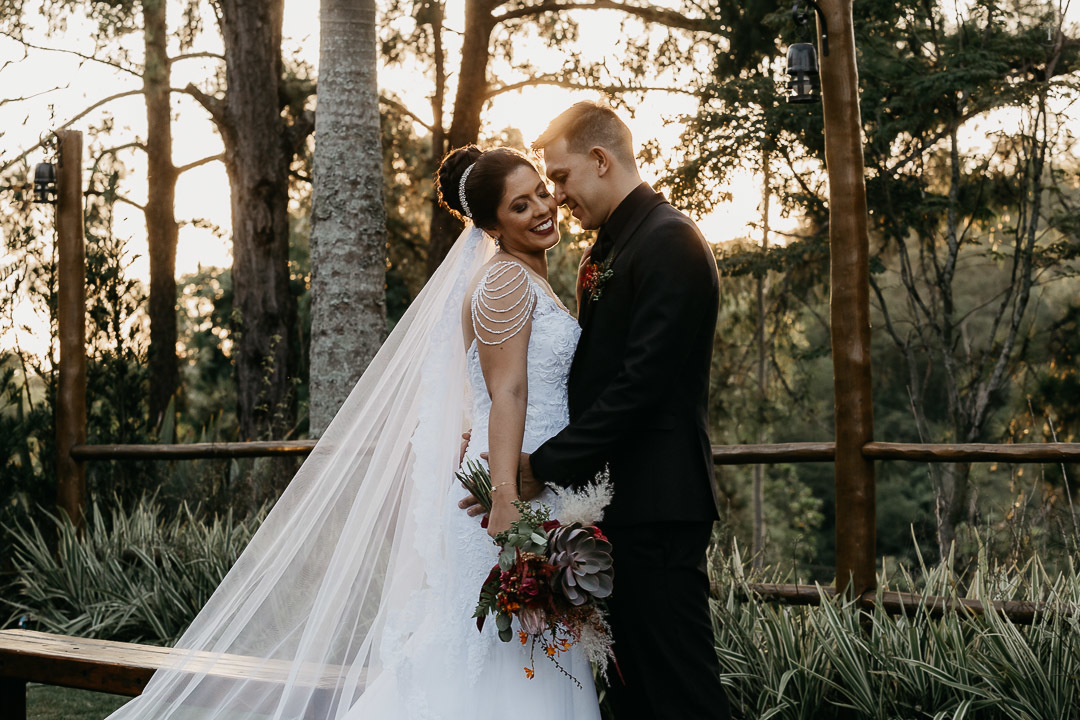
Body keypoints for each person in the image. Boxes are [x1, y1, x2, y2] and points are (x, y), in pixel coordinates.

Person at [104, 145, 600, 720]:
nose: (543, 207)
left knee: (520, 652)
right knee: (500, 656)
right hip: (512, 501)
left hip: (534, 483)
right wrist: (508, 498)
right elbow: (508, 392)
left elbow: (484, 393)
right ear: (492, 225)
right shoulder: (506, 282)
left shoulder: (522, 275)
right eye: (521, 204)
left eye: (541, 190)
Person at [464, 101, 732, 719]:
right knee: (633, 687)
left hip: (660, 502)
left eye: (558, 178)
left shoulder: (669, 241)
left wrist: (543, 465)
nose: (556, 197)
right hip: (612, 504)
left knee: (682, 686)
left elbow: (643, 386)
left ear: (601, 159)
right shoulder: (609, 249)